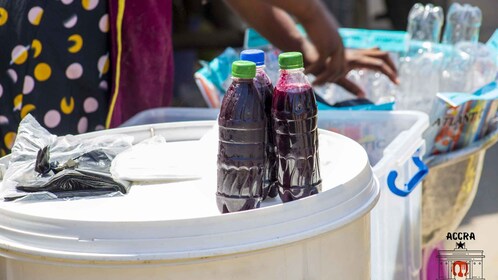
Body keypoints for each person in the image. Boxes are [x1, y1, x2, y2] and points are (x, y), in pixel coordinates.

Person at [0, 0, 397, 155]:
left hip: (51, 35)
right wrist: (312, 16)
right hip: (65, 38)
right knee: (55, 173)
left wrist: (298, 45)